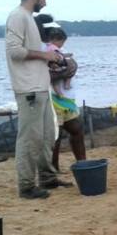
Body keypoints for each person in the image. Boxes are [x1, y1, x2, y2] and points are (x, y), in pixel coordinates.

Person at [5, 0, 71, 199]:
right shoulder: (18, 16)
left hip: (40, 87)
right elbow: (14, 51)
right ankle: (26, 186)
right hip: (29, 89)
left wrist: (51, 61)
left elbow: (29, 53)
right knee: (29, 139)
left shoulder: (28, 18)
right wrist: (46, 56)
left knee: (47, 136)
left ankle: (47, 178)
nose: (46, 1)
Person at [44, 26, 86, 172]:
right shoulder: (46, 51)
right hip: (54, 100)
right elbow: (52, 72)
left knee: (77, 129)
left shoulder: (57, 51)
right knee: (56, 135)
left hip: (67, 100)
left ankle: (82, 163)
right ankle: (53, 168)